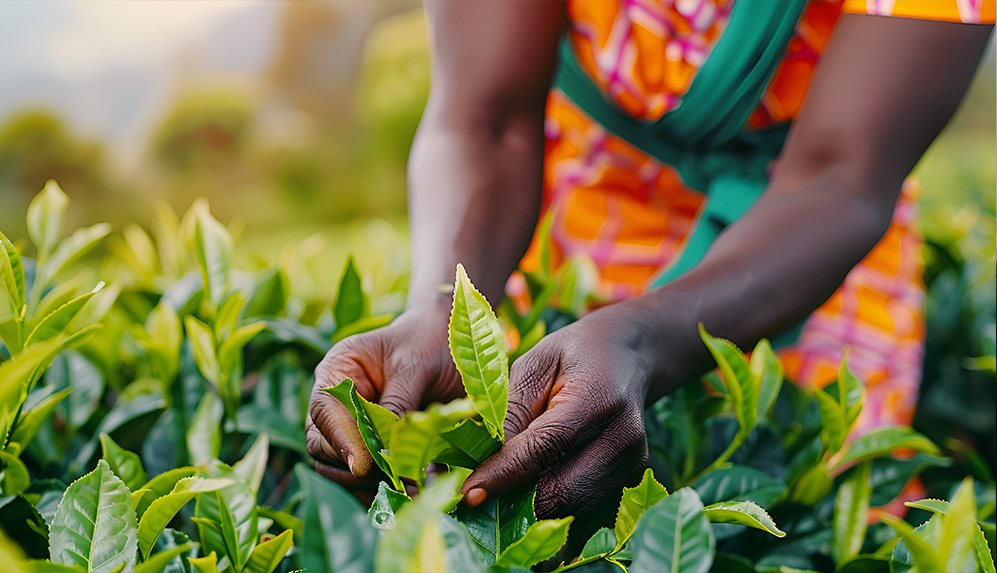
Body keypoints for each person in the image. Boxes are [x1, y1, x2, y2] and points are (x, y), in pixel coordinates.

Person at [307, 0, 993, 532]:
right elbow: (485, 117)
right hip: (572, 209)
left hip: (803, 244)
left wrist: (640, 338)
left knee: (816, 508)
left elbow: (843, 174)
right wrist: (444, 304)